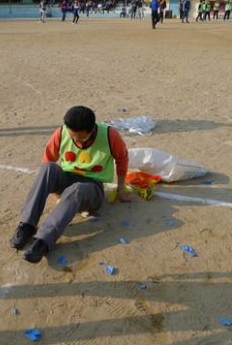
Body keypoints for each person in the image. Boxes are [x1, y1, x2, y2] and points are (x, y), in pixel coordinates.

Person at [9, 106, 138, 263]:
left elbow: (122, 158)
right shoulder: (61, 133)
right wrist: (54, 194)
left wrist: (120, 189)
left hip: (91, 188)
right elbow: (47, 161)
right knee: (48, 168)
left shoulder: (110, 135)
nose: (77, 141)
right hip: (67, 179)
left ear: (92, 129)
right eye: (73, 137)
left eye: (81, 139)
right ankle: (27, 224)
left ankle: (43, 240)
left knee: (76, 189)